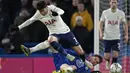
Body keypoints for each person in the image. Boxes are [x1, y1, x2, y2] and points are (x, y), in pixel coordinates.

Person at [10, 1, 86, 62]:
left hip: (65, 31)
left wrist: (57, 13)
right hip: (54, 33)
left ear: (46, 7)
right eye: (40, 11)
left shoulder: (52, 8)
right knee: (50, 41)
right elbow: (30, 21)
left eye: (43, 10)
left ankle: (84, 61)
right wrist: (18, 27)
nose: (42, 12)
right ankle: (30, 50)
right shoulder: (38, 14)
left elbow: (61, 11)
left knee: (81, 52)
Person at [99, 0, 128, 69]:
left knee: (115, 54)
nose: (114, 4)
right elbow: (101, 23)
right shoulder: (105, 12)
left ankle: (113, 68)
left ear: (117, 3)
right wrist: (101, 32)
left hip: (116, 37)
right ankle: (108, 61)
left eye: (115, 2)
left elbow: (125, 24)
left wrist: (126, 35)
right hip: (107, 37)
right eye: (112, 2)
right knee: (106, 56)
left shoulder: (121, 13)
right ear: (109, 3)